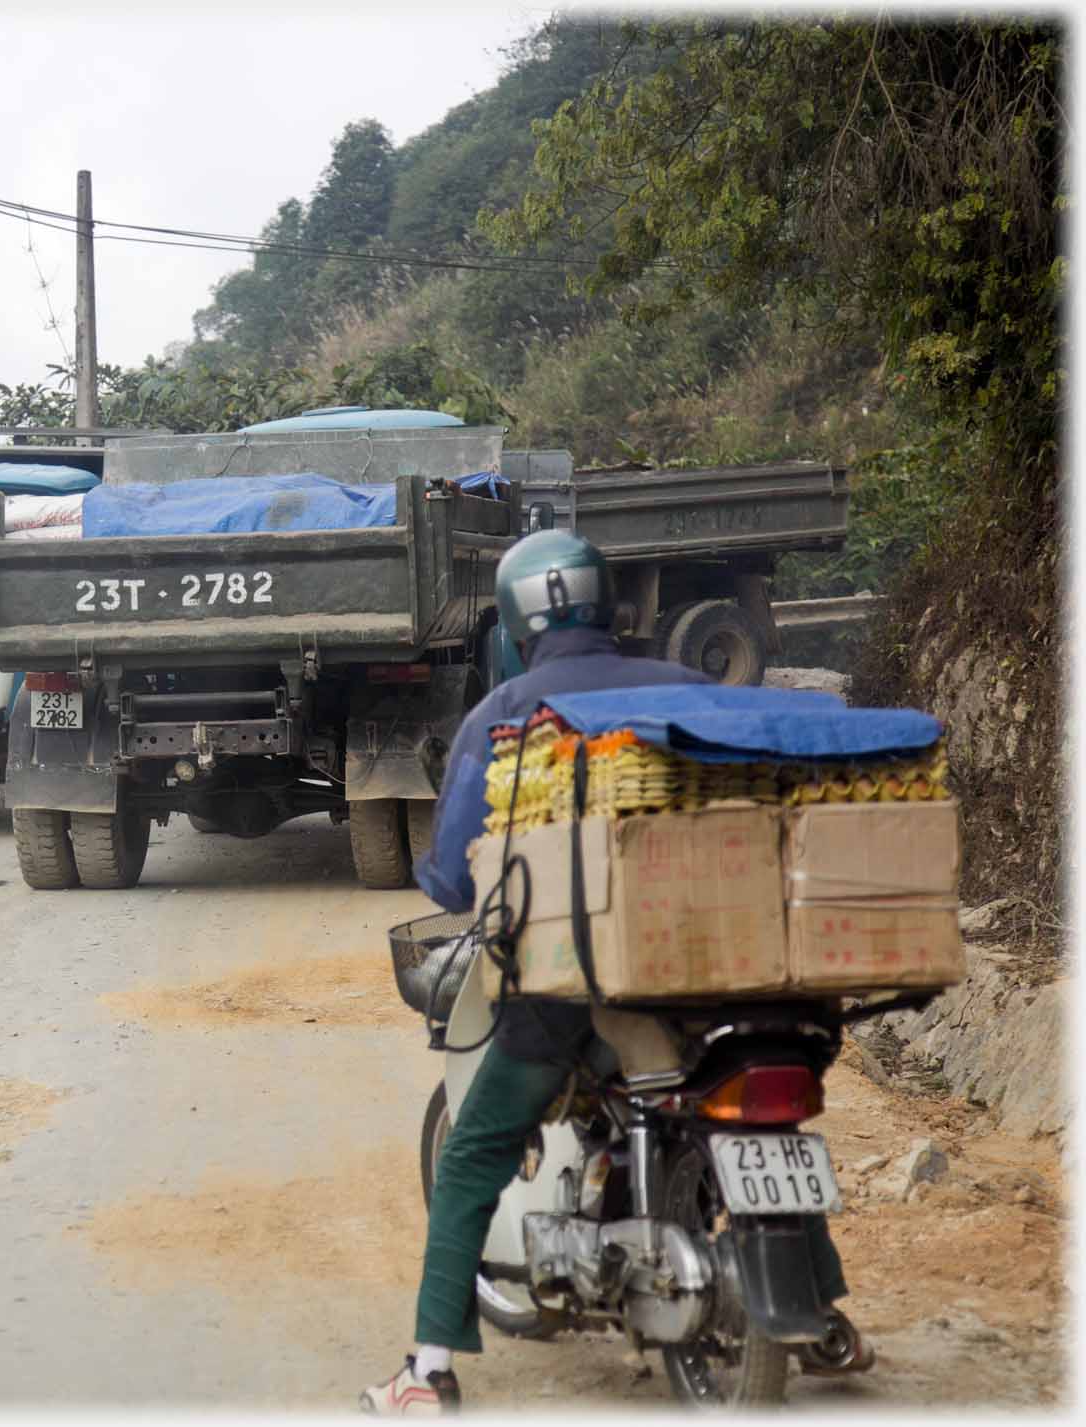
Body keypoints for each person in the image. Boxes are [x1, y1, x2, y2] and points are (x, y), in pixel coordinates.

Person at [361, 531, 873, 1415]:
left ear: (520, 623)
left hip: (574, 988)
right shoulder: (695, 689)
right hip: (725, 970)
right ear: (613, 607)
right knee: (758, 1114)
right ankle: (825, 1317)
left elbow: (450, 876)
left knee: (475, 1150)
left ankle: (427, 1368)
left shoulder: (506, 714)